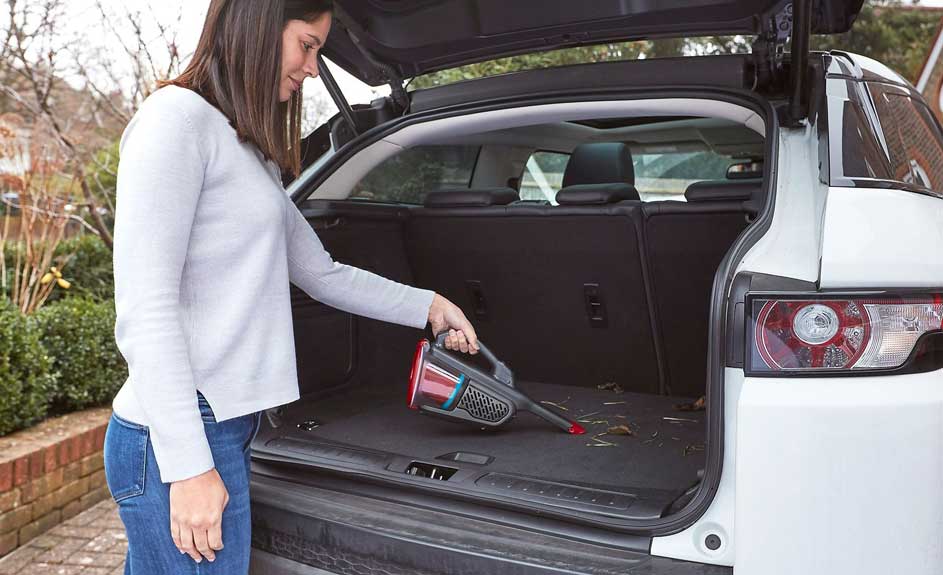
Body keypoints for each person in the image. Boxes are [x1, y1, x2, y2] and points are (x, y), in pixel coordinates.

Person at [101, 1, 479, 573]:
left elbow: (321, 273)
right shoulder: (174, 120)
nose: (310, 66)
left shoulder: (247, 147)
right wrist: (188, 467)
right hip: (177, 436)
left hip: (223, 426)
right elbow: (144, 307)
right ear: (256, 24)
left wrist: (427, 306)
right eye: (307, 44)